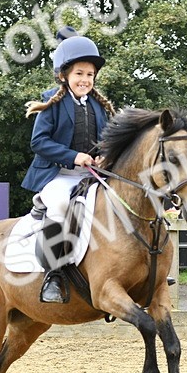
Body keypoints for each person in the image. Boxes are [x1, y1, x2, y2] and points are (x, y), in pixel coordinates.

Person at [19, 29, 115, 303]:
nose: (85, 80)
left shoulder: (98, 104)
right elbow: (39, 142)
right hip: (58, 175)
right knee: (61, 204)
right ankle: (54, 274)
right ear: (64, 75)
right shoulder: (52, 102)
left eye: (90, 75)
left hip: (91, 175)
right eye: (79, 74)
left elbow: (106, 140)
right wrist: (74, 156)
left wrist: (104, 156)